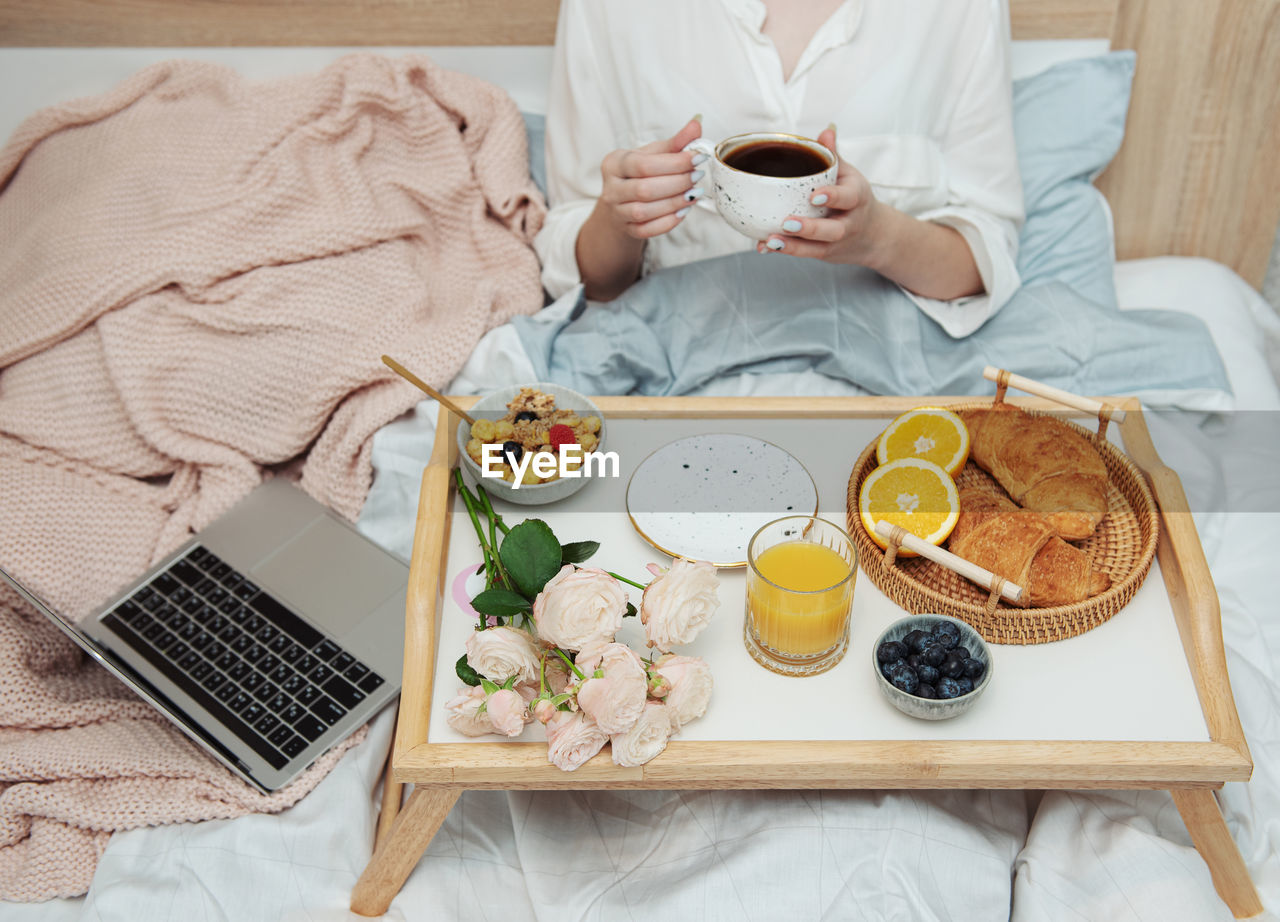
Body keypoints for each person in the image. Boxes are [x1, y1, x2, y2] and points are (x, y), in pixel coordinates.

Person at [532, 0, 1024, 339]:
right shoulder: (610, 12)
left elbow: (984, 260)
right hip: (668, 379)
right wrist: (623, 221)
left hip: (890, 385)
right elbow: (585, 281)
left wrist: (875, 237)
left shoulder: (960, 11)